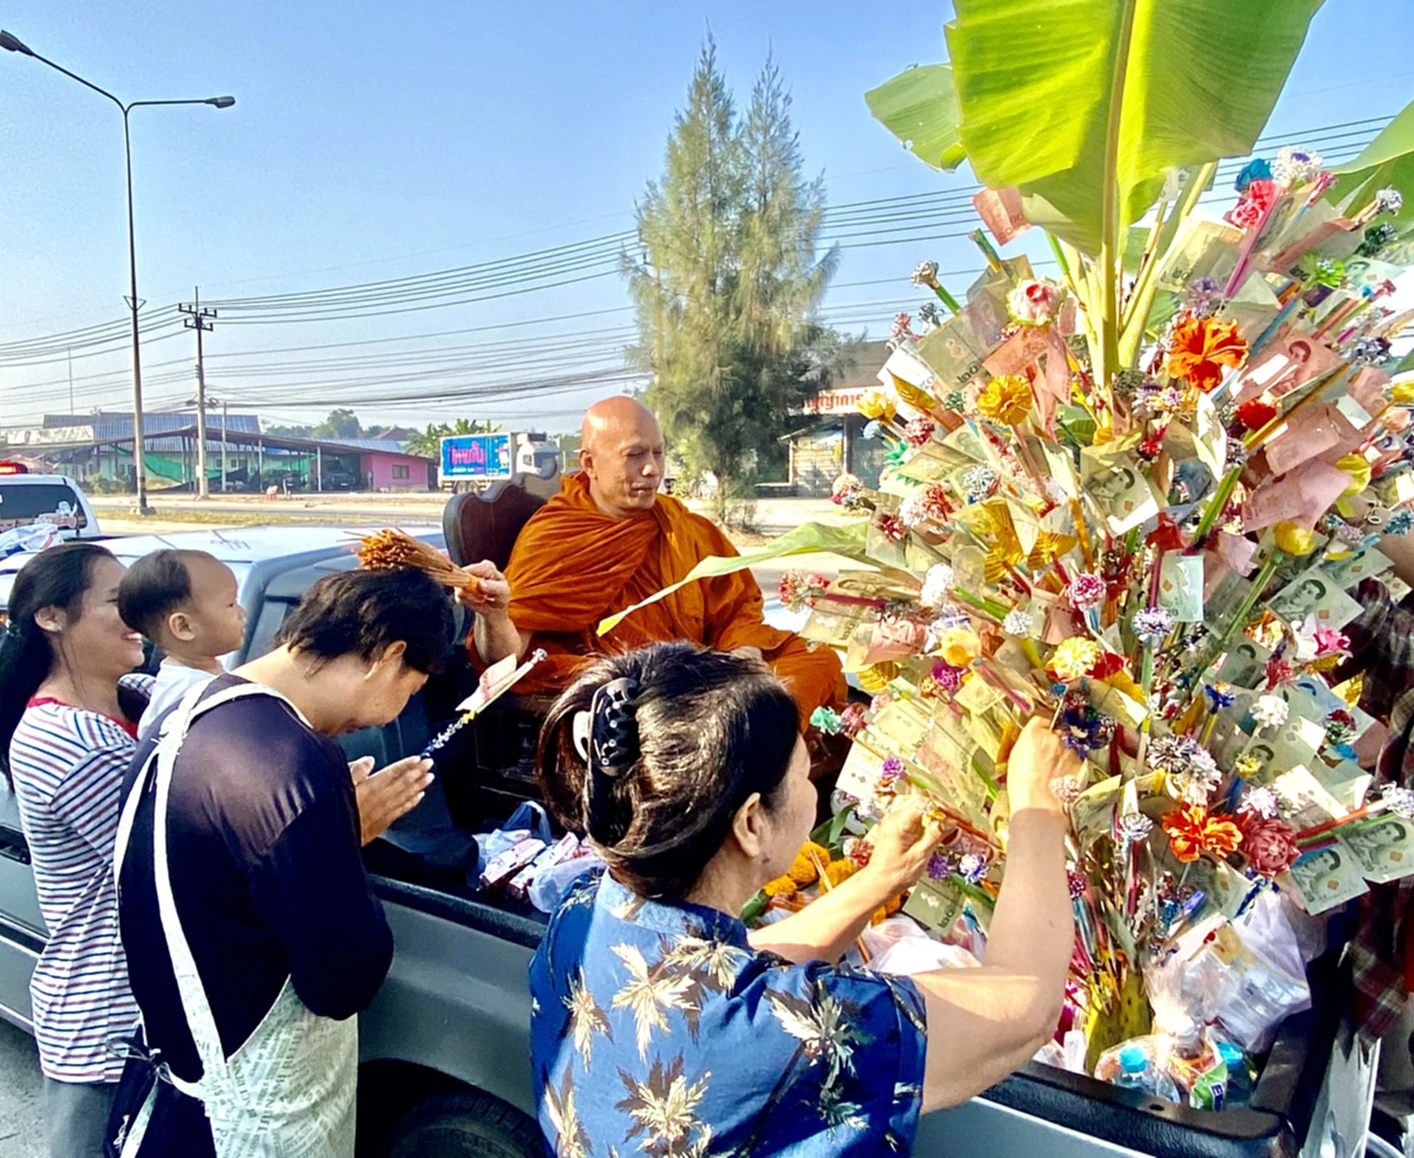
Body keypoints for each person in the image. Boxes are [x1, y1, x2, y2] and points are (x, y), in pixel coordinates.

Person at [529, 643, 1075, 1155]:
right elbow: (1027, 1005)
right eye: (803, 770)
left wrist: (878, 880)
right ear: (751, 823)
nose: (813, 786)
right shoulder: (797, 1034)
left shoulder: (580, 915)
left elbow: (719, 976)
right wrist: (1038, 806)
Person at [114, 565, 475, 1155]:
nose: (388, 716)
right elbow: (343, 978)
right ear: (389, 656)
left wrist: (325, 831)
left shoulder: (194, 708)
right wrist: (337, 834)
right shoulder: (293, 761)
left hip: (177, 1084)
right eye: (409, 691)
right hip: (251, 1119)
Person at [471, 396, 845, 729]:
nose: (652, 469)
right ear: (589, 463)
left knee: (817, 659)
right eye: (635, 455)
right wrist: (493, 615)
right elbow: (506, 658)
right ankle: (755, 748)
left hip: (707, 671)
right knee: (745, 714)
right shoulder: (557, 535)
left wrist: (743, 651)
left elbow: (737, 607)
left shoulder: (678, 524)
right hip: (639, 691)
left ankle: (754, 745)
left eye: (658, 453)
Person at [0, 542, 149, 1157]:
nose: (140, 615)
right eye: (119, 601)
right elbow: (176, 858)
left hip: (139, 1019)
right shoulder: (65, 740)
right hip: (106, 1026)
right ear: (51, 617)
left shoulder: (135, 694)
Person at [117, 549, 248, 733]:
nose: (242, 612)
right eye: (231, 604)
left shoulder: (201, 677)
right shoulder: (188, 694)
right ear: (184, 627)